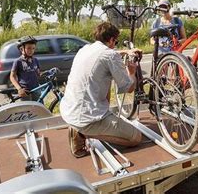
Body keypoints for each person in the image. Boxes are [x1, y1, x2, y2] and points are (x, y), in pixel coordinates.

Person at [60, 22, 143, 158]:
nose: (115, 45)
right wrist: (132, 72)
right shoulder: (110, 55)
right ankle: (81, 132)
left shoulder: (85, 49)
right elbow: (129, 87)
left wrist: (126, 52)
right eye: (115, 42)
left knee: (106, 80)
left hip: (70, 108)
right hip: (88, 118)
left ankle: (80, 127)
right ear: (111, 39)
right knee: (136, 138)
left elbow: (106, 53)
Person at [10, 36, 41, 101]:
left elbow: (38, 73)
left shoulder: (35, 60)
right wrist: (19, 89)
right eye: (29, 48)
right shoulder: (18, 61)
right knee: (27, 110)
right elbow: (12, 77)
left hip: (36, 89)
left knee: (38, 109)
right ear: (21, 49)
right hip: (25, 91)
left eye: (33, 48)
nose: (31, 50)